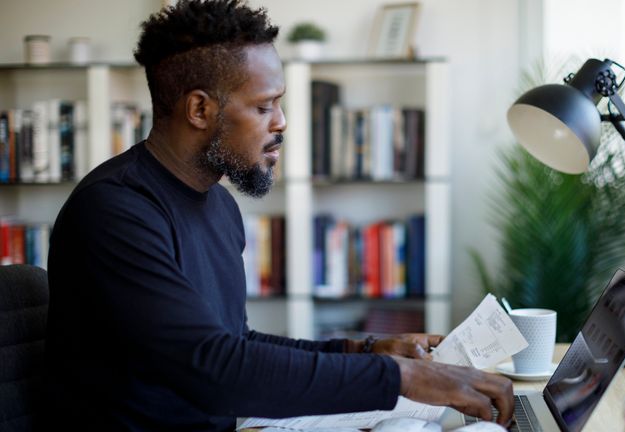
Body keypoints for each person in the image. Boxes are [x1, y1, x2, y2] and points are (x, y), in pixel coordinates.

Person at [44, 1, 515, 430]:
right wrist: (401, 376)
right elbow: (217, 371)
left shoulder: (217, 204)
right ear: (200, 109)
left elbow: (237, 343)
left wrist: (365, 349)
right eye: (264, 105)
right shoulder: (114, 212)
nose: (282, 122)